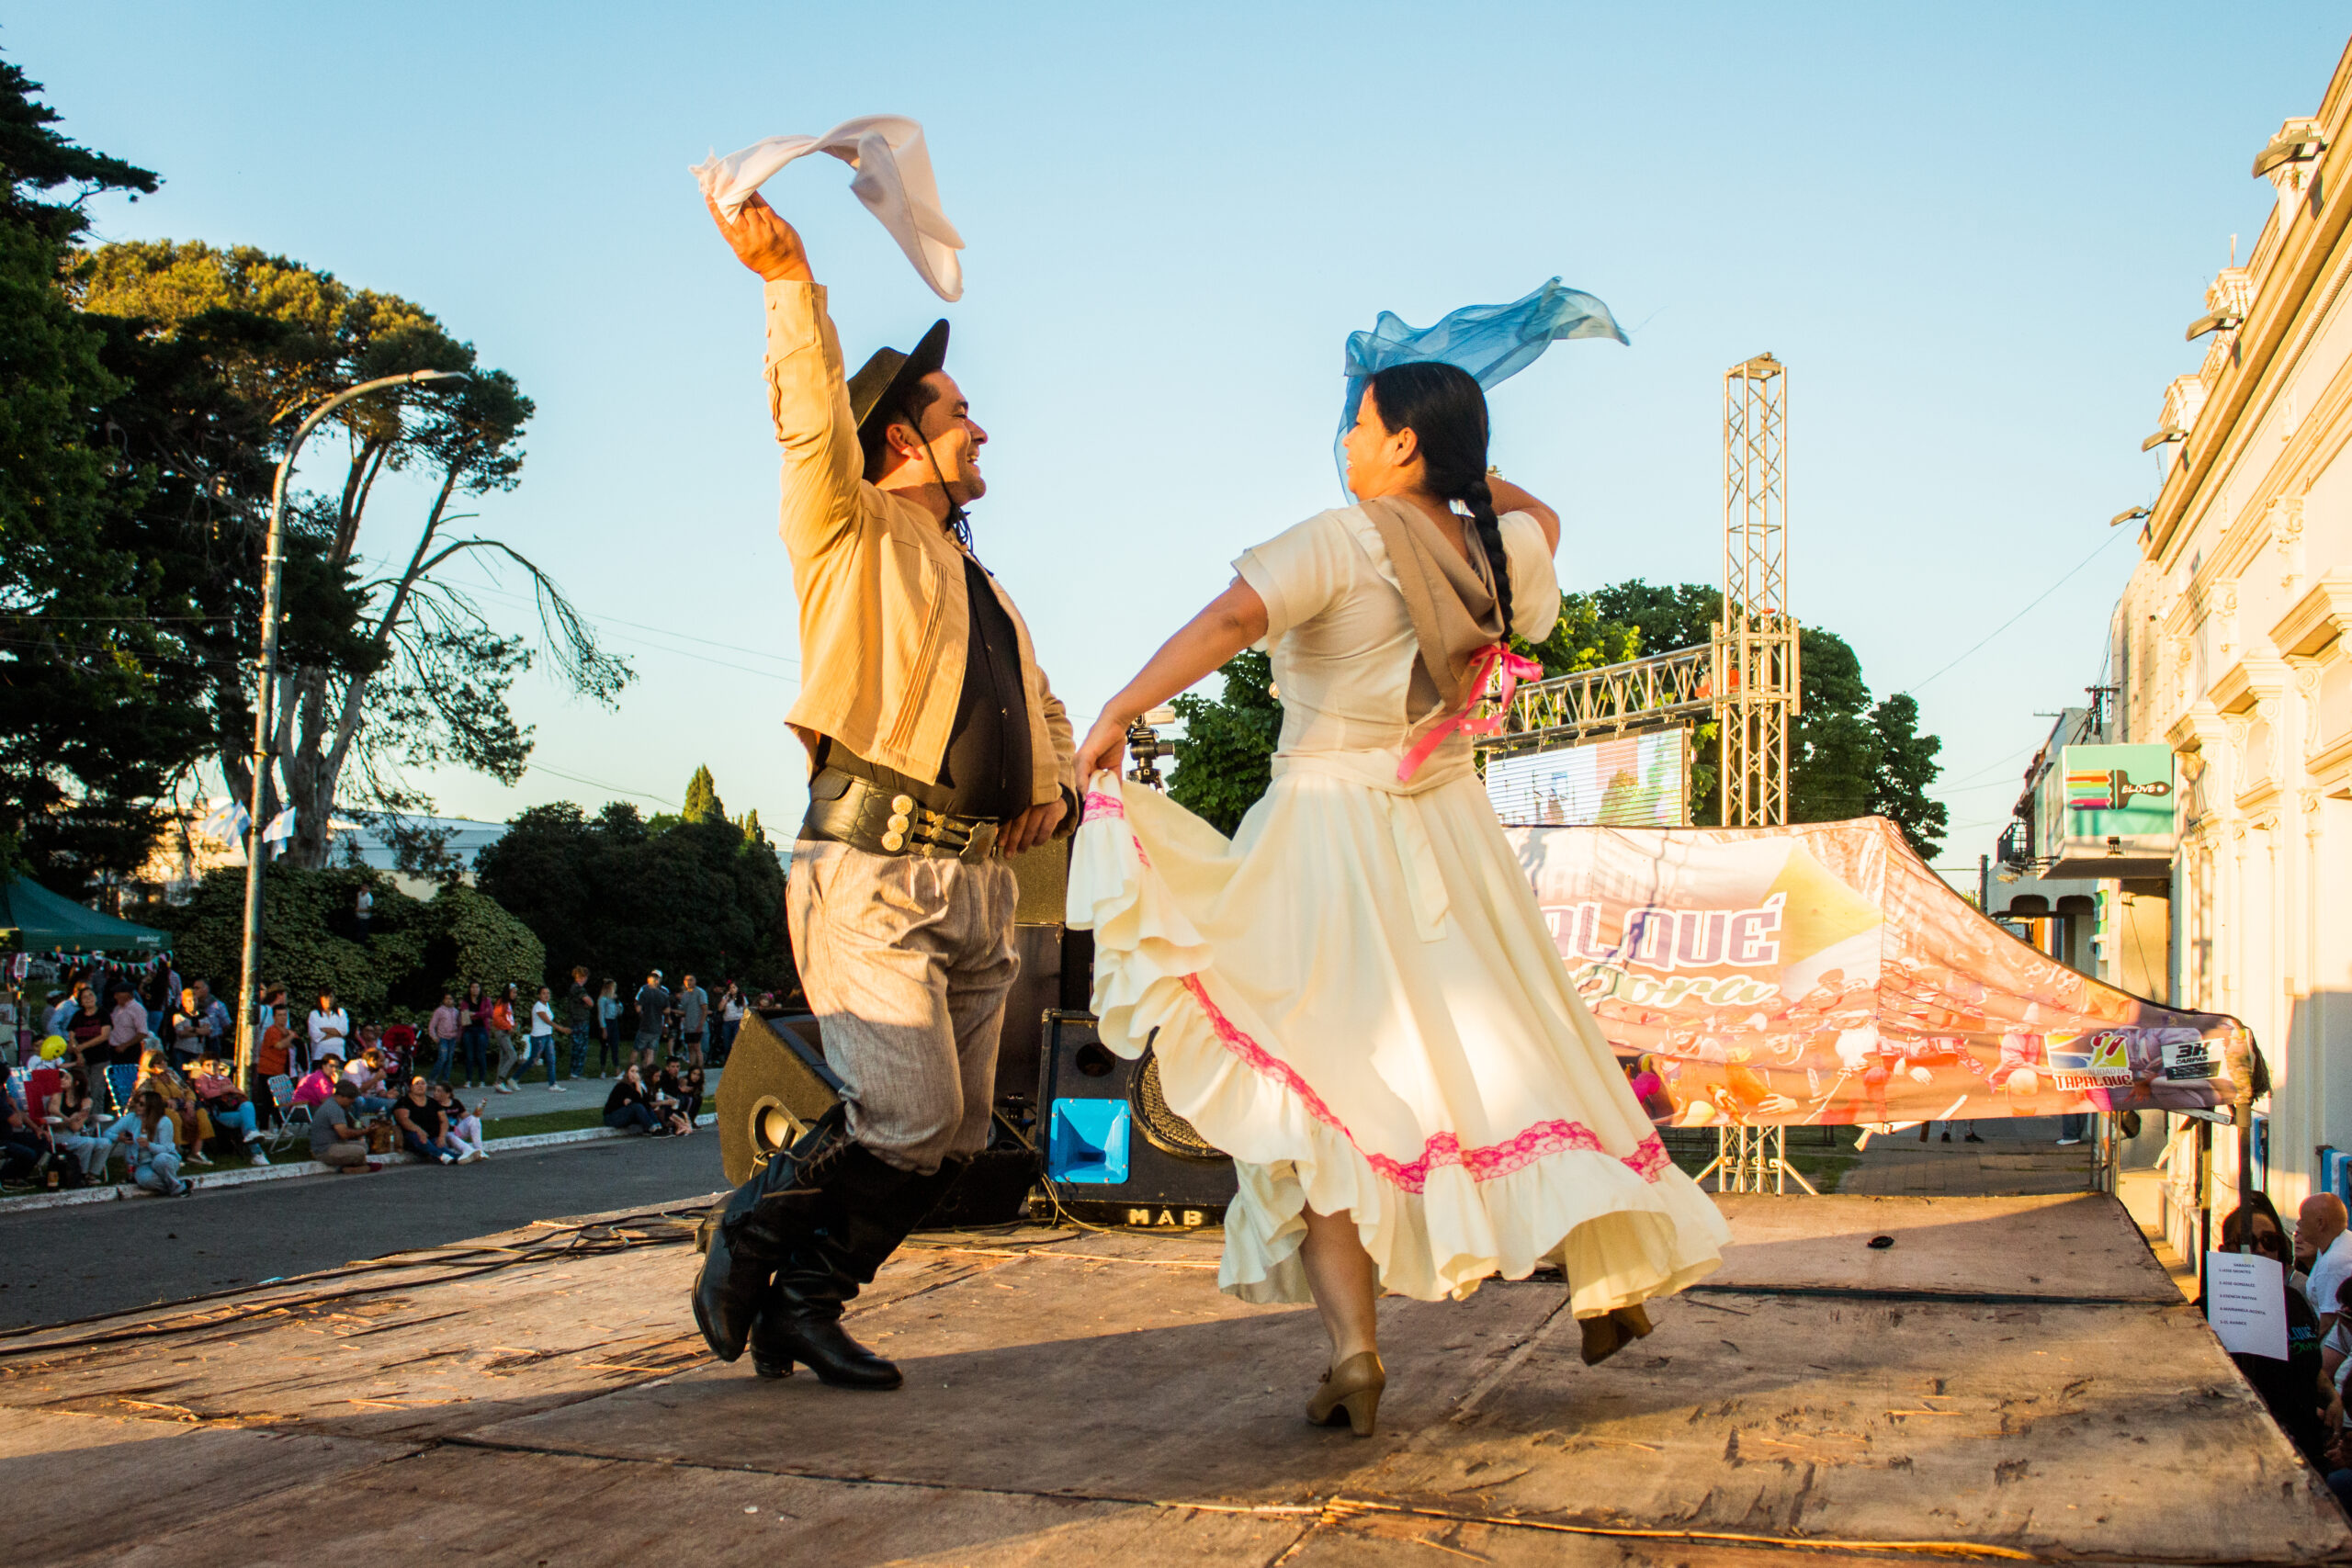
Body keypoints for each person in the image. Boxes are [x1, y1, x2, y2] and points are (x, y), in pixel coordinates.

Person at [1064, 360, 1729, 1436]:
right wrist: (1479, 479)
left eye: (1361, 424)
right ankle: (1607, 1279)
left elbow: (1234, 619)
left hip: (1327, 831)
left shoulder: (1339, 538)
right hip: (1448, 829)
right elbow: (1543, 515)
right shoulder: (1499, 552)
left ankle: (1355, 1353)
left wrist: (1118, 707)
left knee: (1325, 1090)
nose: (1346, 440)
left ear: (1405, 445)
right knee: (1521, 1059)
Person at [692, 188, 1080, 1393]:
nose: (982, 427)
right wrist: (786, 279)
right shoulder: (847, 532)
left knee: (954, 1135)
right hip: (870, 865)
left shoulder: (988, 583)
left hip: (975, 885)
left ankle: (805, 1303)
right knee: (906, 1117)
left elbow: (1053, 717)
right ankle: (752, 1231)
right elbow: (810, 423)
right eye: (960, 411)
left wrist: (1056, 793)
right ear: (902, 438)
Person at [106, 1089, 191, 1196]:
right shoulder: (131, 1118)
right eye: (137, 1102)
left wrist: (149, 1145)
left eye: (141, 1104)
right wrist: (119, 1137)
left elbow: (166, 1149)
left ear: (150, 1107)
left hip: (164, 1159)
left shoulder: (164, 1121)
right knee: (145, 1180)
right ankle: (178, 1186)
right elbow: (107, 1133)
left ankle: (177, 1188)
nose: (137, 1106)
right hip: (143, 1163)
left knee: (161, 1159)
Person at [187, 1057, 268, 1164]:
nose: (212, 1067)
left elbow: (239, 1093)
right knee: (247, 1122)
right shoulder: (202, 1079)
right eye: (208, 1065)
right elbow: (206, 1094)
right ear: (202, 1067)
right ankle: (257, 1153)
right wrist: (224, 1090)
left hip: (233, 1109)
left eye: (215, 1065)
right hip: (217, 1112)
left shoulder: (225, 1079)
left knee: (248, 1105)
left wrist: (232, 1090)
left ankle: (253, 1139)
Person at [2302, 1193, 2352, 1330]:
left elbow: (2330, 1324)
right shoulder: (2331, 1247)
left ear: (2320, 1223)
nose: (2298, 1224)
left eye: (2302, 1218)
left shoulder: (2334, 1261)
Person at [309, 1080, 375, 1173]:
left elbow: (350, 1125)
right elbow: (344, 1133)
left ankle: (355, 1165)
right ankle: (346, 1168)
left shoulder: (337, 1106)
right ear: (341, 1096)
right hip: (325, 1149)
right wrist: (363, 1132)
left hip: (334, 1144)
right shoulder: (334, 1109)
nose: (351, 1103)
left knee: (364, 1146)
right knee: (360, 1151)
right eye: (350, 1100)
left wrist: (357, 1126)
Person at [392, 1077, 458, 1164]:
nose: (420, 1086)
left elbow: (444, 1120)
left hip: (432, 1136)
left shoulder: (432, 1102)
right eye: (417, 1084)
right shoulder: (404, 1101)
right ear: (411, 1087)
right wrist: (419, 1131)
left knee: (439, 1144)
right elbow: (403, 1120)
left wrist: (442, 1137)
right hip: (412, 1136)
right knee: (419, 1138)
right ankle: (441, 1156)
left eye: (423, 1083)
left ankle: (454, 1157)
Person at [432, 1082, 488, 1162]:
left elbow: (466, 1117)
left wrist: (476, 1113)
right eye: (435, 1091)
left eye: (439, 1091)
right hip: (444, 1134)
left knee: (474, 1119)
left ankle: (479, 1150)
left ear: (448, 1094)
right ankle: (468, 1150)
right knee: (449, 1134)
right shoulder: (433, 1104)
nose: (435, 1093)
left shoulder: (455, 1102)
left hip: (456, 1131)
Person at [603, 1066, 664, 1135]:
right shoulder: (622, 1086)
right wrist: (638, 1083)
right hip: (612, 1117)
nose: (634, 1074)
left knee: (646, 1107)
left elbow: (645, 1103)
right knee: (637, 1106)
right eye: (632, 1071)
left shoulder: (636, 1086)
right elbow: (634, 1101)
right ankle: (653, 1129)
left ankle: (659, 1127)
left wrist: (638, 1085)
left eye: (637, 1072)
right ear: (627, 1073)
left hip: (626, 1116)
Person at [633, 971, 669, 1072]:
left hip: (657, 1022)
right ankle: (644, 1068)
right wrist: (642, 1016)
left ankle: (649, 1069)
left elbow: (666, 1009)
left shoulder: (664, 991)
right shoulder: (644, 989)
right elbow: (637, 1003)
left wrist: (665, 1024)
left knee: (651, 1048)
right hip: (647, 1021)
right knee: (645, 1048)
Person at [530, 984, 562, 1090]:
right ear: (539, 995)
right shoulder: (538, 1006)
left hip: (547, 1035)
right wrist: (562, 1029)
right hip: (539, 1037)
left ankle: (552, 1084)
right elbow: (547, 1021)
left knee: (551, 1059)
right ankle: (514, 1078)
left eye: (548, 993)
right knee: (532, 1060)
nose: (546, 995)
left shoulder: (546, 1005)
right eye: (544, 993)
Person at [490, 985, 520, 1092]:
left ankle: (498, 1084)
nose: (515, 995)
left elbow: (505, 1018)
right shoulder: (502, 1002)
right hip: (502, 1032)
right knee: (513, 1055)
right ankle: (500, 1081)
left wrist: (512, 1025)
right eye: (513, 992)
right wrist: (508, 1026)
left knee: (503, 1058)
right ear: (508, 992)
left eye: (516, 992)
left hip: (505, 1032)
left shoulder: (507, 1004)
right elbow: (497, 1017)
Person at [564, 966, 594, 1079]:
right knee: (580, 1046)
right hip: (580, 1020)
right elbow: (590, 1002)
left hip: (577, 1019)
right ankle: (576, 1072)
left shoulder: (574, 988)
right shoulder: (579, 989)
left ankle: (575, 1071)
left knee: (577, 1045)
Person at [595, 979, 623, 1077]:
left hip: (614, 1022)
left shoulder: (614, 999)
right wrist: (604, 1029)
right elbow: (601, 1015)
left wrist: (618, 1003)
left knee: (615, 1046)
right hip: (606, 1023)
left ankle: (617, 1069)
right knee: (604, 1047)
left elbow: (619, 1012)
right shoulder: (602, 999)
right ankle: (602, 1070)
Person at [716, 981, 745, 1066]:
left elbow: (746, 1010)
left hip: (738, 1021)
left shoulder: (742, 998)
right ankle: (727, 1061)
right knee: (727, 1042)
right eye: (730, 988)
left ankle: (737, 1061)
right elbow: (720, 1009)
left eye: (734, 987)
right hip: (727, 1021)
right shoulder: (726, 997)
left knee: (735, 1041)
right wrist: (726, 999)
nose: (732, 990)